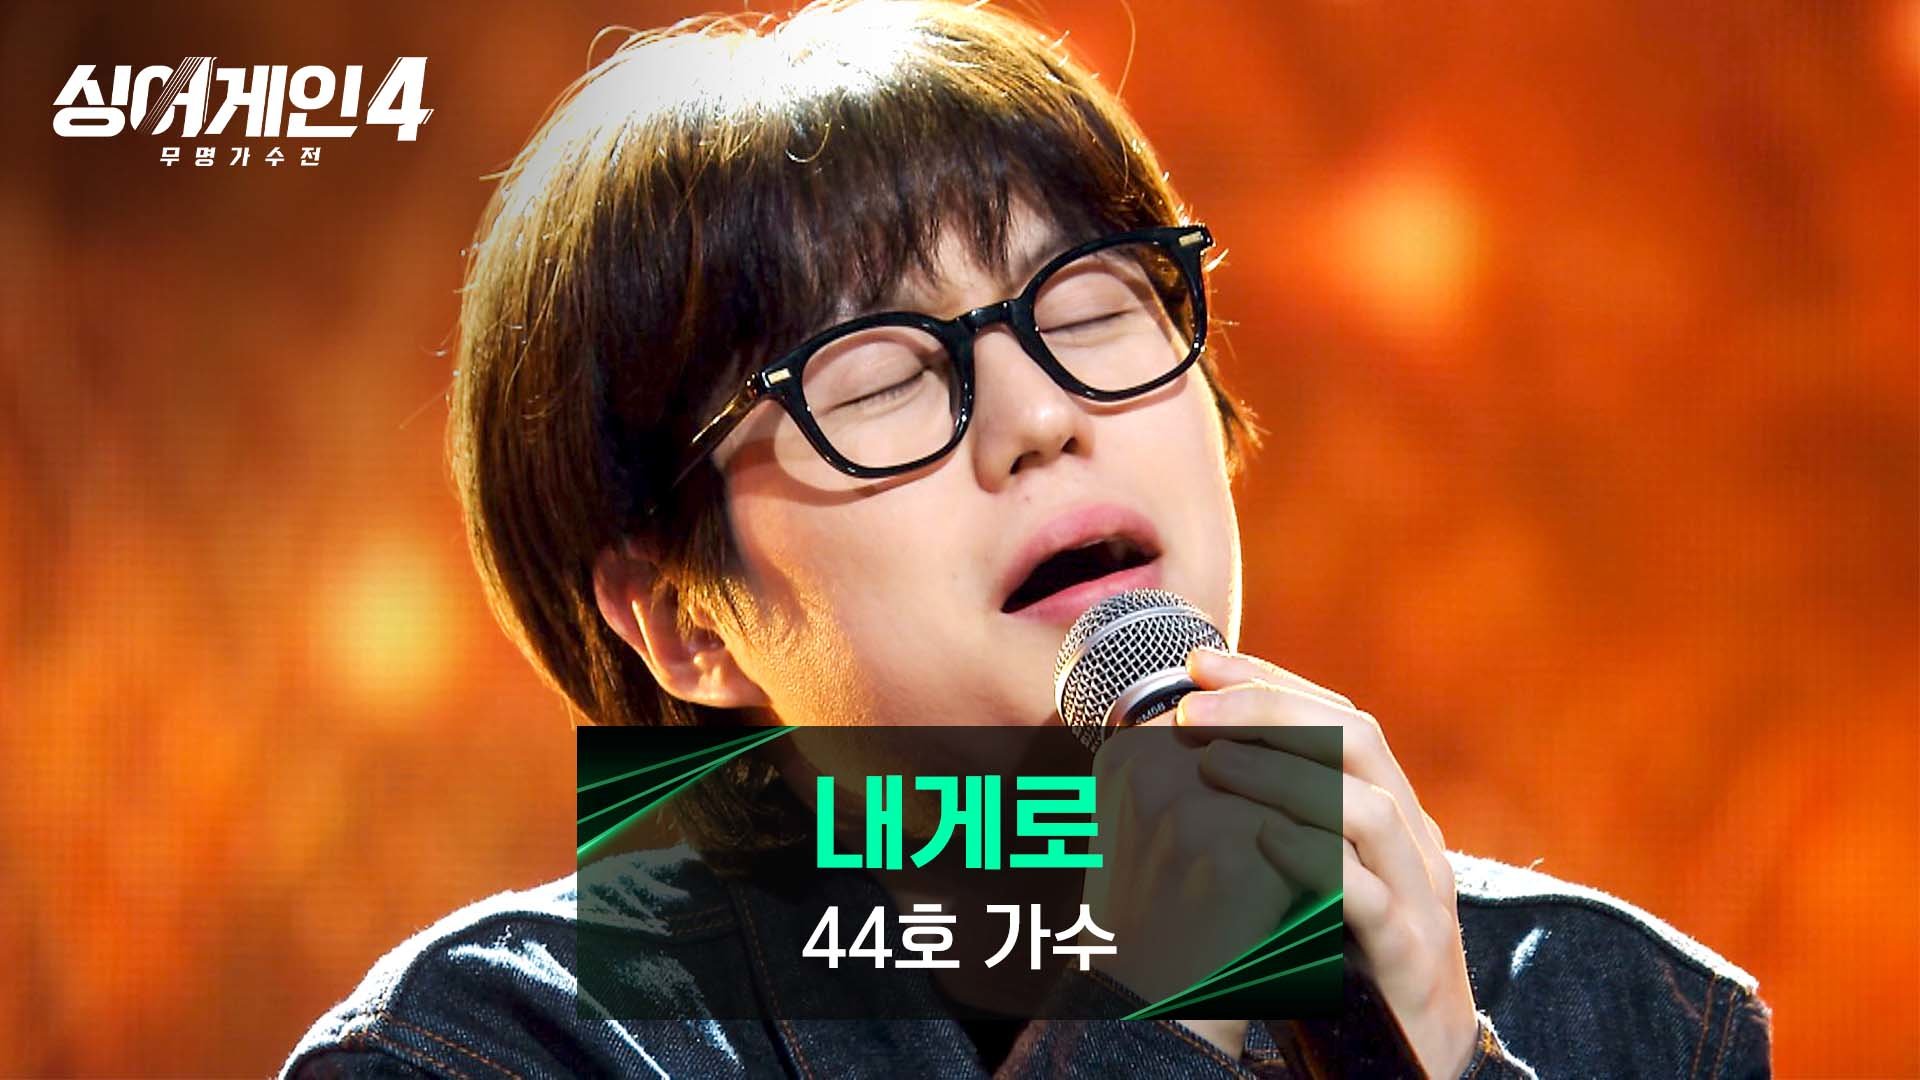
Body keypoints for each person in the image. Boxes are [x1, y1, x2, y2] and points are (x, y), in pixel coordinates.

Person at [281, 2, 1772, 1076]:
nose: (1042, 417)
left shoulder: (1610, 1010)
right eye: (878, 376)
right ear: (685, 620)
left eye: (1092, 306)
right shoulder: (494, 1047)